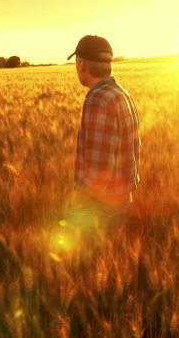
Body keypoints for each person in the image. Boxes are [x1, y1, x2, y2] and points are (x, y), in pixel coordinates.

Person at [64, 35, 141, 235]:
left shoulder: (99, 100)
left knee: (78, 261)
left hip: (100, 209)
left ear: (81, 64)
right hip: (122, 201)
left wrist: (75, 204)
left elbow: (98, 174)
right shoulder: (121, 93)